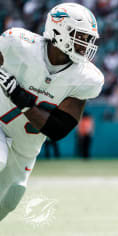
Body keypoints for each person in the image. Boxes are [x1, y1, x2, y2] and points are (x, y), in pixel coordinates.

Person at [0, 3, 103, 221]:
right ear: (59, 30)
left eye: (88, 38)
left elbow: (58, 129)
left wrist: (20, 97)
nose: (86, 44)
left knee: (10, 198)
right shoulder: (18, 43)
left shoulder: (87, 78)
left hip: (26, 145)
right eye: (81, 36)